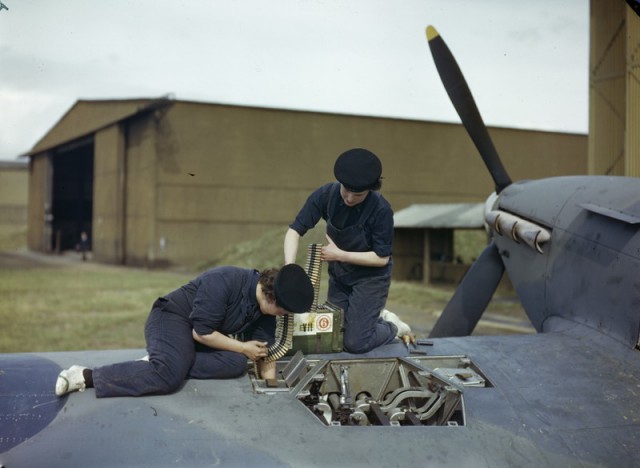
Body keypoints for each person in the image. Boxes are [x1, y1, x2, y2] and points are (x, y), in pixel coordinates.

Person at [55, 264, 314, 398]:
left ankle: (166, 358)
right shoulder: (225, 280)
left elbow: (262, 353)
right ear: (272, 298)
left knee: (236, 364)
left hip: (199, 336)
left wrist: (272, 386)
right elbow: (201, 333)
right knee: (168, 377)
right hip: (171, 319)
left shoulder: (264, 310)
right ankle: (85, 376)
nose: (283, 317)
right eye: (284, 311)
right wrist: (243, 347)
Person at [284, 148, 410, 354]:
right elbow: (293, 232)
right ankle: (369, 319)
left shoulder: (381, 211)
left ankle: (391, 325)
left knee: (355, 343)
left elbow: (381, 258)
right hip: (341, 275)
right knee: (333, 334)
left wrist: (339, 255)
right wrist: (289, 268)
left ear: (371, 189)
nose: (349, 198)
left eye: (357, 194)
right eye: (346, 191)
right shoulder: (325, 195)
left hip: (370, 278)